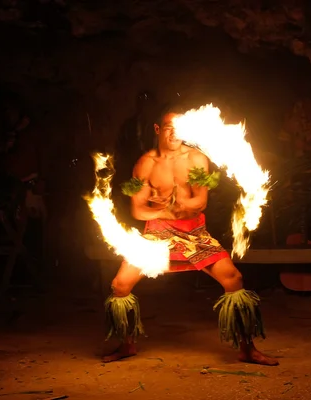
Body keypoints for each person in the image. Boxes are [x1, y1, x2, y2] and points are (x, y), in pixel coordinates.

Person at [102, 105, 279, 366]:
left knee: (234, 279)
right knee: (120, 285)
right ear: (158, 129)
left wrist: (169, 207)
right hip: (156, 237)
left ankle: (247, 348)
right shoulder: (146, 164)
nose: (175, 135)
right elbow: (138, 211)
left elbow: (199, 203)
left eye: (180, 129)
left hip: (194, 233)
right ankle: (127, 344)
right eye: (169, 129)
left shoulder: (196, 159)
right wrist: (170, 210)